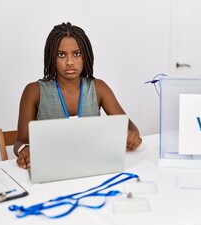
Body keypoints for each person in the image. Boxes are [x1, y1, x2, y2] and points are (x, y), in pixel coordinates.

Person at [14, 22, 142, 169]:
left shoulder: (98, 88)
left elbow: (130, 126)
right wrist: (24, 149)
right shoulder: (34, 91)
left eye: (77, 54)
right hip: (52, 168)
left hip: (90, 166)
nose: (69, 62)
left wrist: (132, 136)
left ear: (85, 56)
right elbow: (20, 141)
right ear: (52, 57)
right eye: (61, 55)